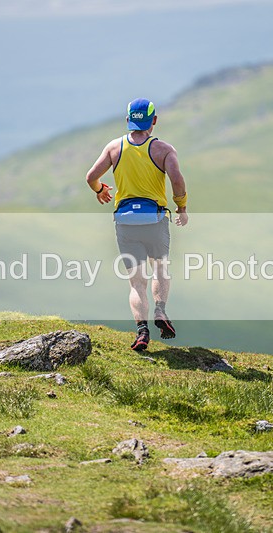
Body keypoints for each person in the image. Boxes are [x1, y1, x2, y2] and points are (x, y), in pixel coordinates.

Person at [85, 98, 188, 351]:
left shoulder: (114, 148)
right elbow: (176, 180)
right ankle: (161, 311)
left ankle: (142, 331)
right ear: (153, 121)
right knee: (160, 268)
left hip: (125, 222)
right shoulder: (164, 150)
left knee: (136, 282)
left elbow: (91, 177)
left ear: (128, 120)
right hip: (155, 219)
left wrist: (100, 190)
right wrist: (181, 207)